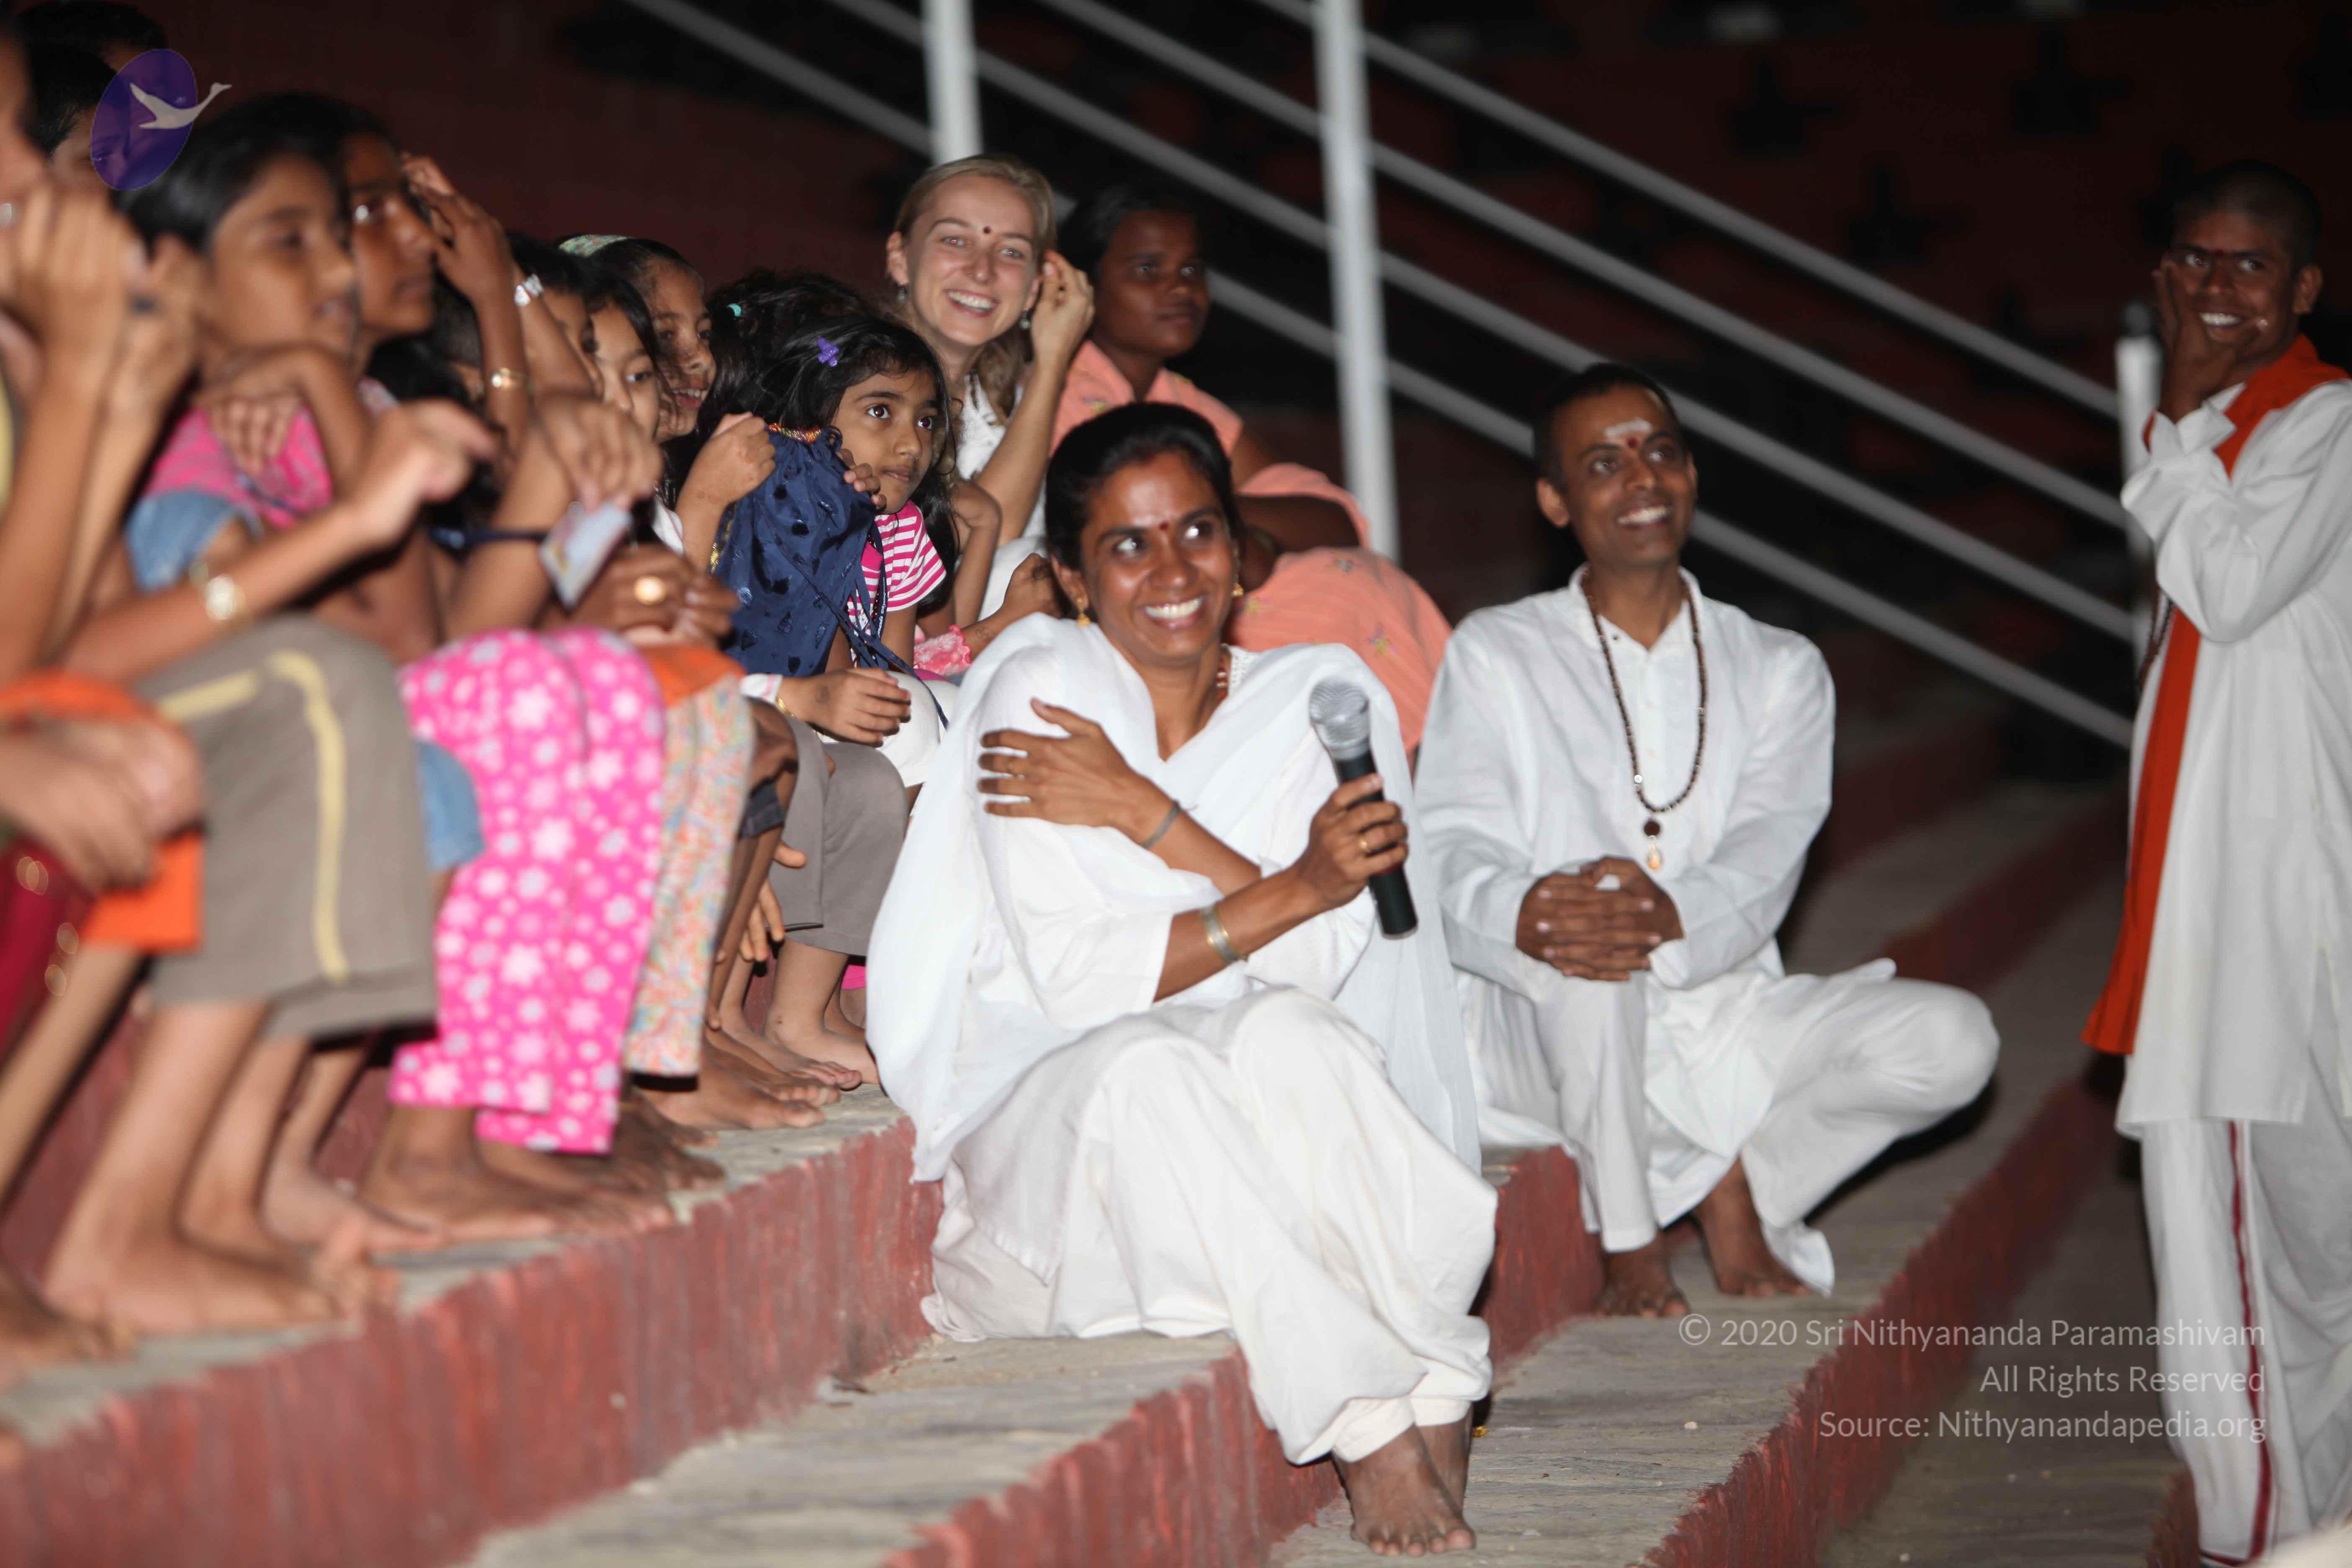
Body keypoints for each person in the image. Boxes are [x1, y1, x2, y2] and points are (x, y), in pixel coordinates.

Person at [869, 404, 1487, 1558]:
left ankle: (1435, 1389)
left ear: (1241, 550)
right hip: (1060, 1149)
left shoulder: (1316, 695)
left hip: (1251, 1123)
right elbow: (1077, 983)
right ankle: (1379, 1421)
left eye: (1197, 532)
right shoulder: (1039, 689)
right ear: (1071, 575)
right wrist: (1292, 886)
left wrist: (1152, 818)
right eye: (1127, 544)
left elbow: (1317, 962)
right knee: (1154, 1064)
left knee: (1297, 1036)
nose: (1171, 571)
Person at [1416, 364, 1997, 1318]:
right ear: (1555, 501)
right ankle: (1632, 1241)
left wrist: (1667, 913)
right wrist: (1525, 908)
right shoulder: (1498, 649)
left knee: (1954, 1040)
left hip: (1721, 1000)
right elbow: (1449, 838)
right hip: (1548, 1016)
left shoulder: (1778, 665)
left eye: (1660, 451)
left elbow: (1769, 850)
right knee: (1592, 942)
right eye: (1603, 463)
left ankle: (1744, 1183)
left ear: (1691, 474)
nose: (1642, 478)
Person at [2084, 160, 2352, 1565]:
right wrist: (2183, 430)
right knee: (2278, 1258)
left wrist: (2176, 421)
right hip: (2236, 901)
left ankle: (2266, 1540)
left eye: (2251, 264)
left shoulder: (2325, 422)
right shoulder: (2215, 440)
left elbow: (2233, 589)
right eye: (2195, 259)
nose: (2217, 287)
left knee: (2256, 1255)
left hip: (2270, 908)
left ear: (2305, 289)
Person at [1052, 182, 1452, 751]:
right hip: (1145, 615)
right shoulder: (1060, 394)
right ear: (1082, 285)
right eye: (1147, 270)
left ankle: (1425, 771)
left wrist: (1230, 523)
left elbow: (1334, 515)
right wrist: (1234, 530)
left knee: (1358, 576)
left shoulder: (1179, 399)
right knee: (1346, 590)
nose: (1179, 288)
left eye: (1192, 270)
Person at [885, 153, 1084, 611]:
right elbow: (977, 542)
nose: (982, 271)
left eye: (1012, 252)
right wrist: (1053, 363)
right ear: (900, 258)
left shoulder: (1005, 401)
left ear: (1034, 287)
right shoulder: (851, 382)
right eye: (955, 240)